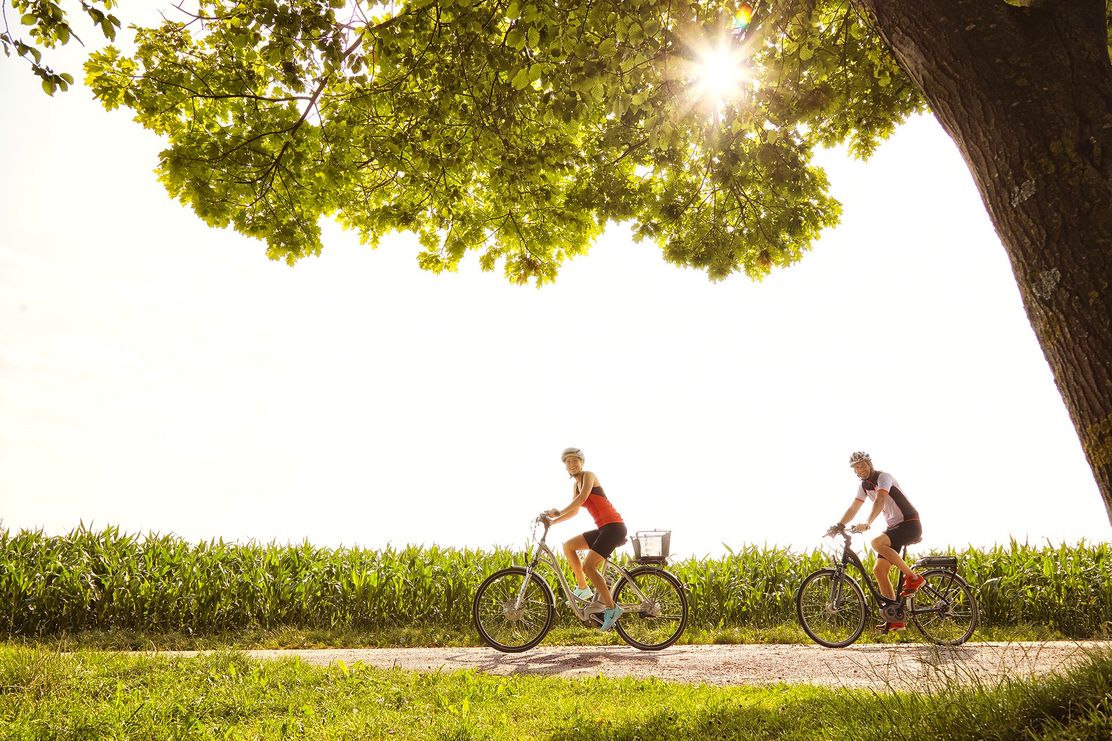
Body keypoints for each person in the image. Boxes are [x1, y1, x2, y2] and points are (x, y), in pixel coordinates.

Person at [829, 451, 925, 634]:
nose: (861, 469)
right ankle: (895, 618)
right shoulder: (863, 487)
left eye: (863, 464)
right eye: (857, 467)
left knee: (876, 542)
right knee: (879, 570)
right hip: (894, 528)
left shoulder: (884, 477)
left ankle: (913, 578)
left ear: (870, 464)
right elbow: (853, 507)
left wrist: (868, 523)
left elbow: (880, 500)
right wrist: (839, 525)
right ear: (854, 471)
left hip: (910, 523)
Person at [542, 447, 627, 631]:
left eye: (575, 460)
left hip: (614, 527)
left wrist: (559, 511)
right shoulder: (575, 484)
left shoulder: (589, 475)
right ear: (565, 466)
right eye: (568, 462)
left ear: (582, 462)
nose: (572, 464)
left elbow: (581, 499)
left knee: (589, 566)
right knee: (569, 546)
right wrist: (553, 522)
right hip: (603, 529)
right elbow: (574, 510)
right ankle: (583, 587)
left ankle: (612, 609)